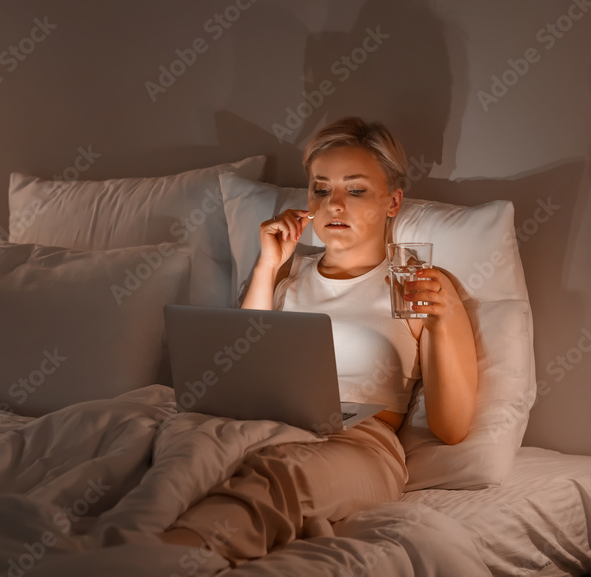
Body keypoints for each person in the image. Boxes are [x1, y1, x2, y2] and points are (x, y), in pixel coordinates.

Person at [158, 116, 478, 565]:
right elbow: (241, 369)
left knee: (279, 479)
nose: (334, 205)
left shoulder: (420, 283)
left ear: (393, 202)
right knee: (157, 445)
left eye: (356, 189)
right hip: (265, 424)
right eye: (321, 189)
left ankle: (166, 558)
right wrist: (268, 267)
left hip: (359, 443)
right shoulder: (289, 273)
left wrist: (442, 323)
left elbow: (453, 426)